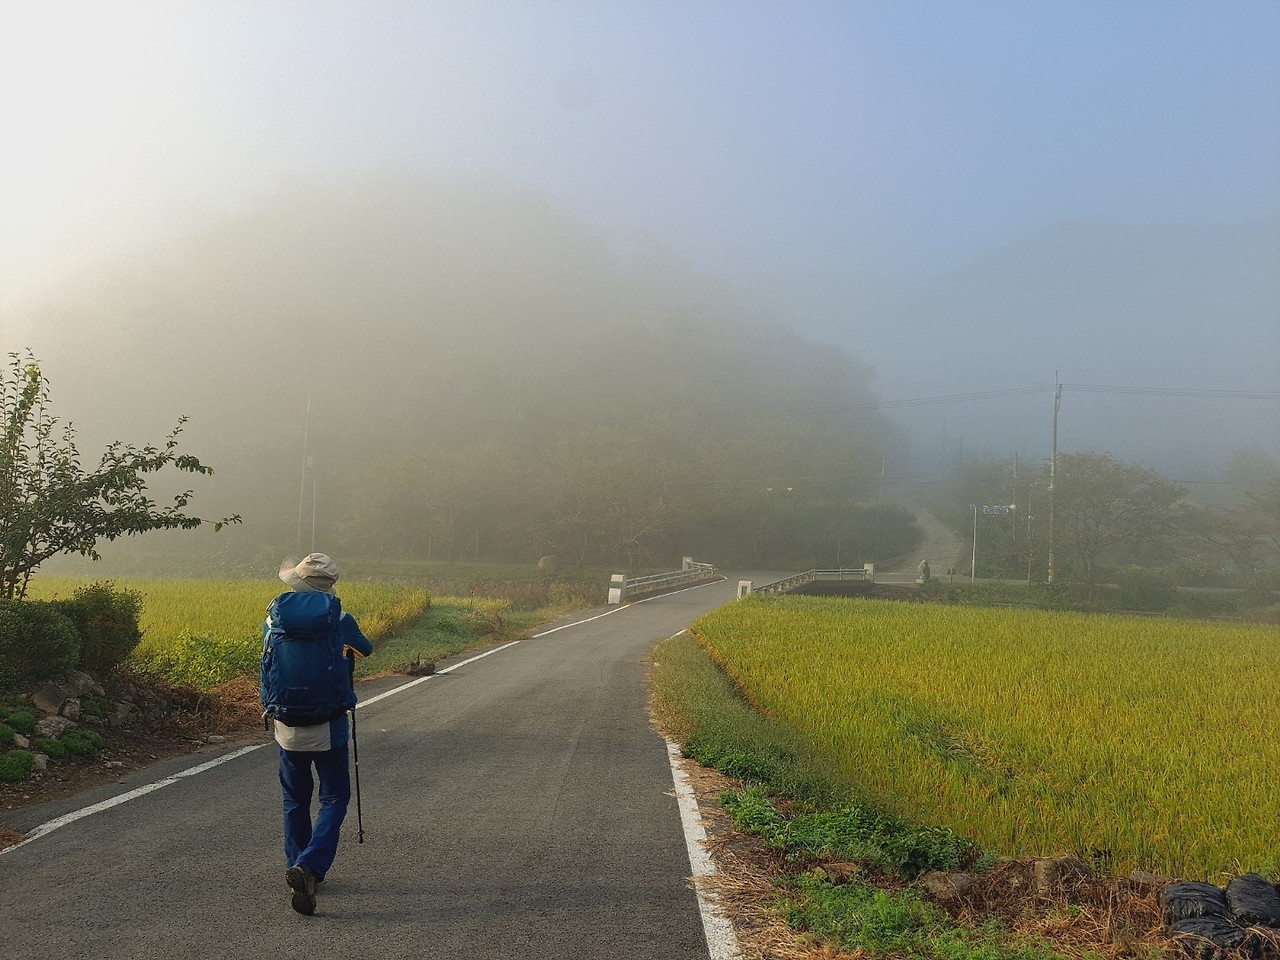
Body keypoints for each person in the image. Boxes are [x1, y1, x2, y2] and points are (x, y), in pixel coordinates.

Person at [262, 553, 373, 916]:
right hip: (329, 725)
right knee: (335, 797)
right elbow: (366, 649)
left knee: (295, 799)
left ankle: (298, 863)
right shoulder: (340, 619)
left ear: (297, 582)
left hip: (286, 724)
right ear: (329, 585)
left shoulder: (273, 617)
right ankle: (309, 866)